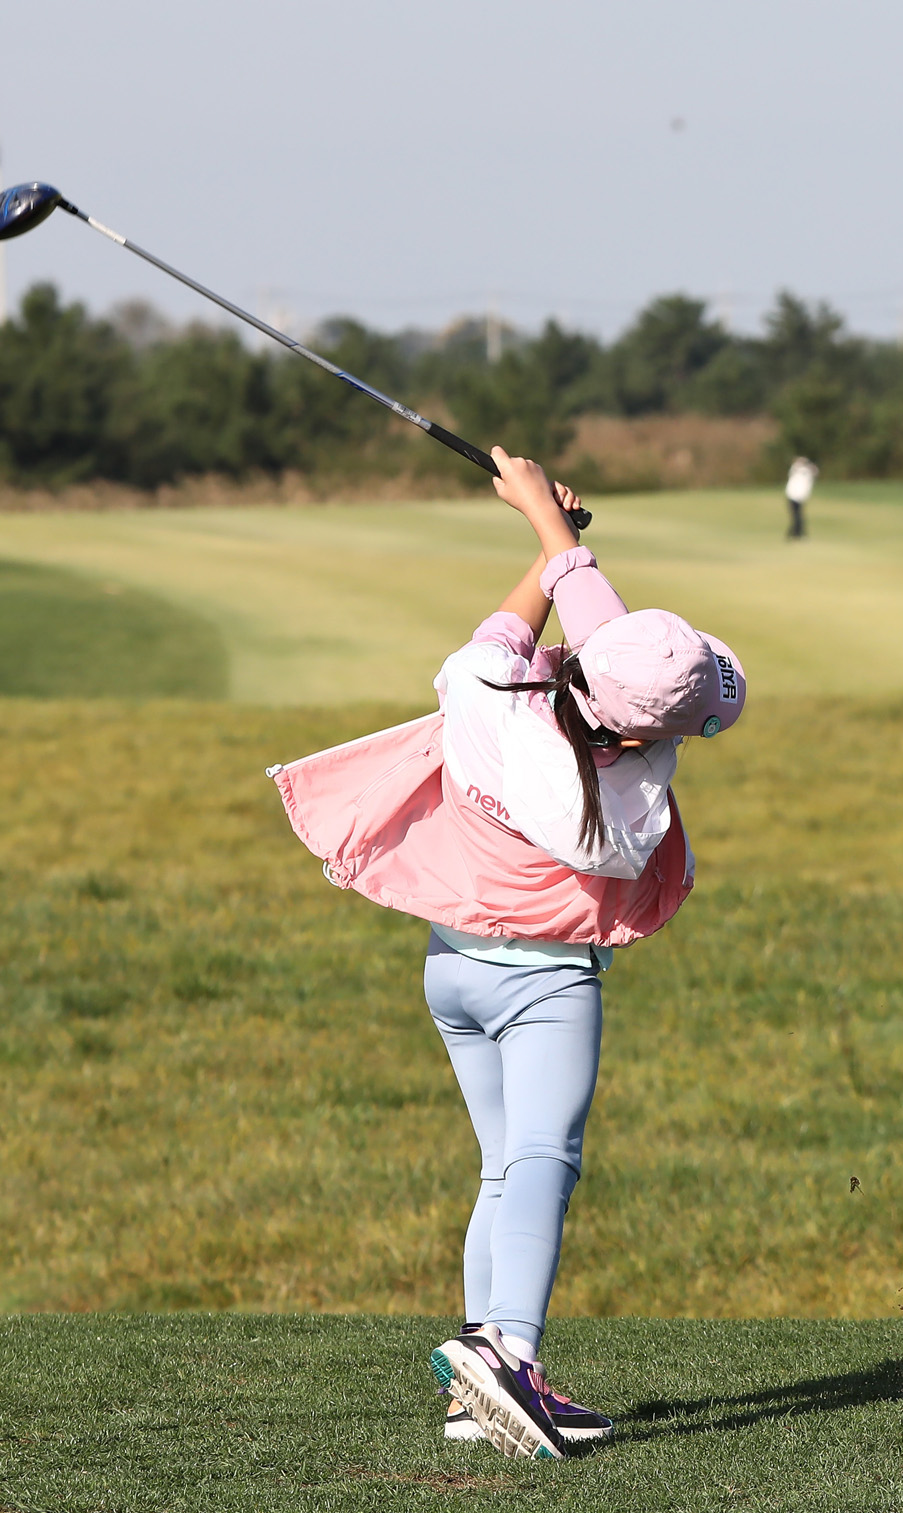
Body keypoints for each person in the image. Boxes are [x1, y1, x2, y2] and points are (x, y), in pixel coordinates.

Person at [268, 448, 746, 1460]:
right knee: (540, 1160)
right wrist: (558, 541)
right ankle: (508, 1356)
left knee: (502, 1166)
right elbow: (612, 663)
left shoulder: (485, 695)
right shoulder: (631, 790)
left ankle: (473, 1389)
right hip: (543, 987)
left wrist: (548, 535)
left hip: (453, 969)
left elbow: (518, 636)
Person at [784, 454, 819, 539]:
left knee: (798, 516)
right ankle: (795, 533)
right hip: (794, 495)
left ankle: (796, 534)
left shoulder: (805, 471)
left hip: (798, 496)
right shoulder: (798, 469)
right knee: (797, 516)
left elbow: (815, 471)